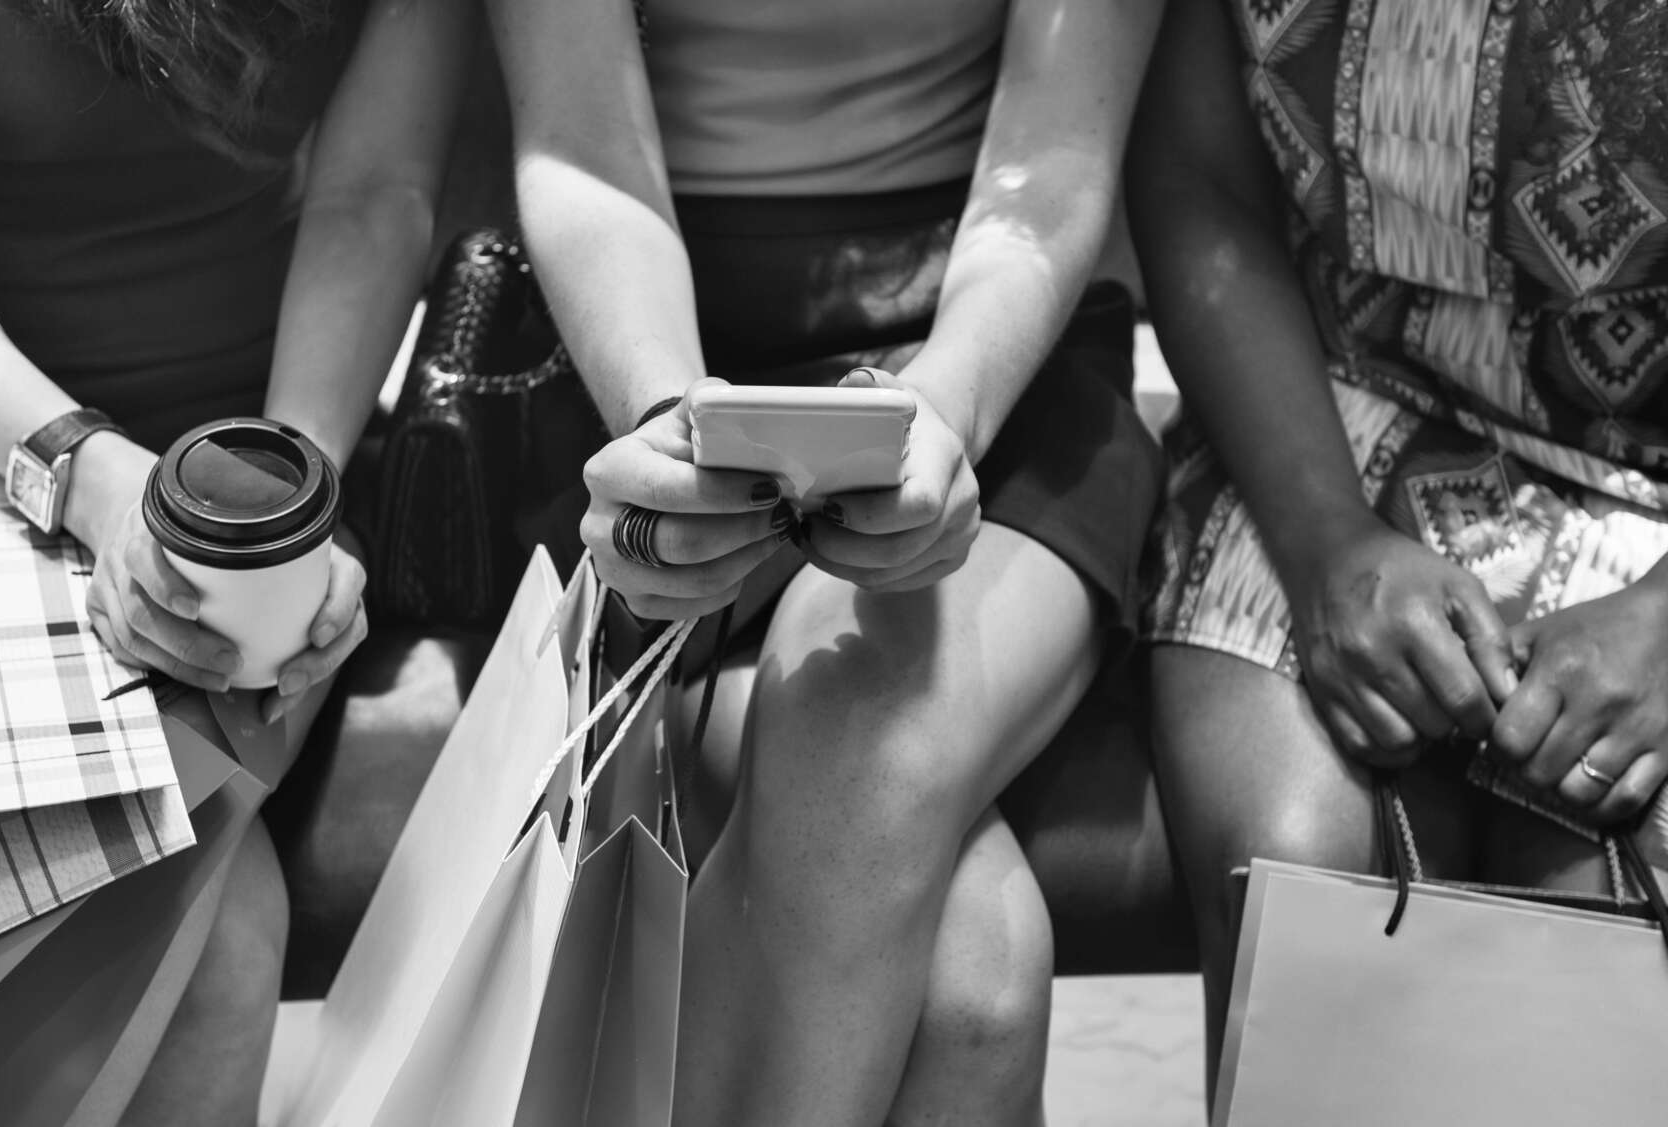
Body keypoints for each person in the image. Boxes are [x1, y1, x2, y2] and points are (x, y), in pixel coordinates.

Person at [0, 0, 469, 1119]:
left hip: (241, 455)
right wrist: (93, 479)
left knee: (199, 937)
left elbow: (373, 193)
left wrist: (284, 503)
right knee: (215, 944)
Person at [488, 0, 1166, 1122]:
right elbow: (583, 146)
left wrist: (943, 409)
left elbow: (1054, 162)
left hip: (996, 352)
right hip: (639, 338)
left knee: (859, 707)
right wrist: (665, 421)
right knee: (974, 991)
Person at [1130, 0, 1668, 1095]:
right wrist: (1327, 543)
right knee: (1300, 878)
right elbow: (1200, 182)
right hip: (1333, 418)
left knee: (1635, 922)